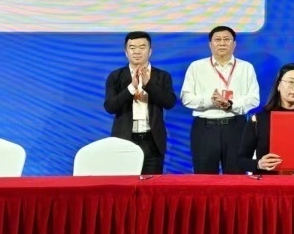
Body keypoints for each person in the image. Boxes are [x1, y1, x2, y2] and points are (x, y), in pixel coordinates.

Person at [180, 26, 260, 174]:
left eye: (226, 39)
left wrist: (231, 104)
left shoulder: (246, 67)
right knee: (204, 176)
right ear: (210, 44)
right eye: (217, 39)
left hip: (236, 127)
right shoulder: (196, 67)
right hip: (205, 128)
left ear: (234, 44)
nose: (222, 43)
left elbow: (254, 98)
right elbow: (186, 98)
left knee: (237, 176)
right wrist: (210, 101)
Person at [103, 31, 177, 174]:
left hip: (152, 142)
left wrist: (149, 84)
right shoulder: (116, 76)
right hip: (124, 140)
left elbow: (169, 102)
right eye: (132, 48)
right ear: (126, 52)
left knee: (152, 185)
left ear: (150, 51)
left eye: (142, 47)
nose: (137, 51)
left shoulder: (162, 76)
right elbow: (110, 107)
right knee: (124, 185)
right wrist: (131, 87)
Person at [238, 63, 294, 174]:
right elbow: (241, 160)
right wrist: (259, 164)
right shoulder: (258, 120)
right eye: (291, 82)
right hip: (267, 181)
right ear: (278, 85)